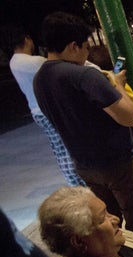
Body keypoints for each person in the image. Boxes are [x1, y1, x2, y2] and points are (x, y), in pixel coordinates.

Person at [33, 11, 133, 237]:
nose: (88, 52)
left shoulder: (40, 80)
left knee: (106, 227)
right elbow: (128, 116)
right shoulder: (85, 76)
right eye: (86, 46)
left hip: (85, 166)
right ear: (73, 46)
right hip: (119, 164)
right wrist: (115, 84)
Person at [1, 26, 86, 187]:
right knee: (67, 145)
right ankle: (79, 182)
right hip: (47, 109)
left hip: (36, 110)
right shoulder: (34, 62)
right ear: (27, 39)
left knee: (59, 148)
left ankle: (74, 181)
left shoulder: (13, 62)